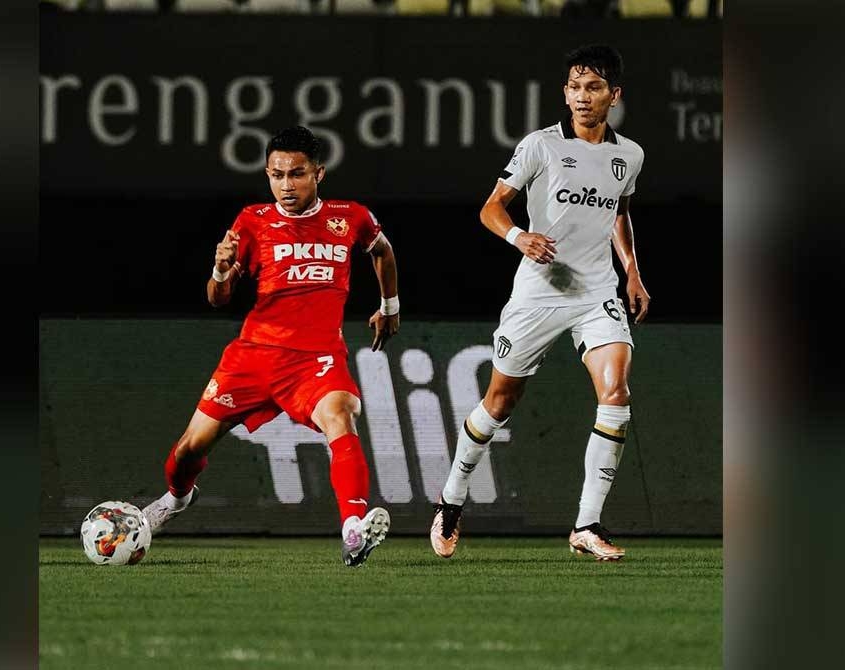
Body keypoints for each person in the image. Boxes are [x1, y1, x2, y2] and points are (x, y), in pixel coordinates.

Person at [141, 126, 400, 567]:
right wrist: (222, 271)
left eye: (296, 174)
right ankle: (176, 498)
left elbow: (382, 250)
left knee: (341, 417)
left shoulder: (349, 216)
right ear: (267, 173)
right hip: (253, 356)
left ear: (319, 173)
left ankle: (353, 529)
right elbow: (217, 299)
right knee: (187, 451)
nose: (285, 185)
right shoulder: (252, 221)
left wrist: (389, 306)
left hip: (316, 359)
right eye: (276, 174)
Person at [430, 45, 650, 561]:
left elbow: (618, 210)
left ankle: (586, 525)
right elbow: (490, 209)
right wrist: (520, 238)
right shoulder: (540, 146)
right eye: (573, 87)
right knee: (499, 404)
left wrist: (632, 272)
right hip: (538, 292)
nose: (581, 96)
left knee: (615, 392)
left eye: (593, 87)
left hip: (597, 292)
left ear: (614, 96)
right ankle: (451, 499)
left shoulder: (630, 155)